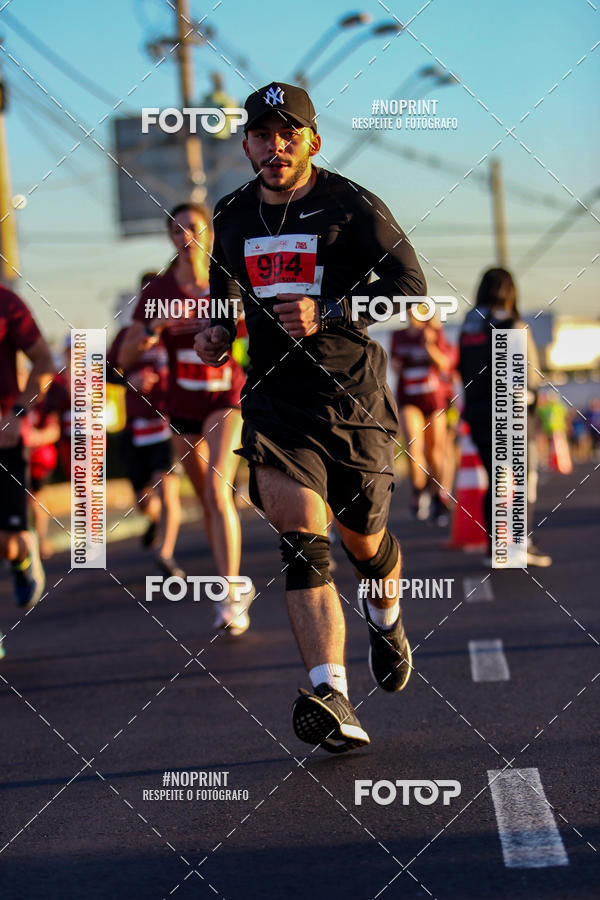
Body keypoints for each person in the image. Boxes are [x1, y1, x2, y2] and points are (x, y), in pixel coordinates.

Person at [195, 82, 427, 753]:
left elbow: (410, 290)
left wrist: (329, 309)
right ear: (246, 144)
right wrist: (216, 335)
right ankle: (333, 694)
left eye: (290, 133)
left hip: (351, 401)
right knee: (301, 537)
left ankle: (385, 613)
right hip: (275, 404)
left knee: (364, 540)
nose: (277, 146)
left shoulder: (349, 204)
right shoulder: (232, 213)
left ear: (312, 141)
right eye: (264, 134)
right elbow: (222, 302)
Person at [124, 205, 252, 635]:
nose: (186, 236)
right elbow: (124, 357)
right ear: (170, 239)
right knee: (207, 501)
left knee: (218, 492)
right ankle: (230, 583)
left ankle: (231, 596)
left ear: (208, 234)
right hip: (180, 406)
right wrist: (154, 329)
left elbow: (255, 341)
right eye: (177, 230)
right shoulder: (158, 289)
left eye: (193, 228)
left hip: (223, 396)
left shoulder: (227, 279)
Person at [458, 267, 551, 567]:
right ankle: (519, 544)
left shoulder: (469, 326)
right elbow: (527, 377)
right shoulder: (512, 324)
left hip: (478, 412)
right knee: (522, 479)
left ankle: (495, 548)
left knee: (494, 479)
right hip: (510, 414)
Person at [108, 274, 183, 576]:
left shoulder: (179, 332)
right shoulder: (128, 335)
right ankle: (153, 521)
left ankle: (165, 555)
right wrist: (130, 380)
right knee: (143, 499)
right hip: (136, 428)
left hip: (168, 424)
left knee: (168, 489)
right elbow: (106, 370)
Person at [0, 285, 54, 612]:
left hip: (4, 436)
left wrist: (17, 415)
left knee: (7, 544)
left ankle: (22, 556)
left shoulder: (7, 303)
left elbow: (44, 362)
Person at [390, 307, 455, 525]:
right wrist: (397, 365)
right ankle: (419, 492)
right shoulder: (398, 336)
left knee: (435, 450)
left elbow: (445, 364)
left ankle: (438, 496)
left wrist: (428, 345)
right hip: (409, 398)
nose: (413, 313)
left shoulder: (434, 332)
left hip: (434, 399)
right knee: (413, 446)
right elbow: (395, 365)